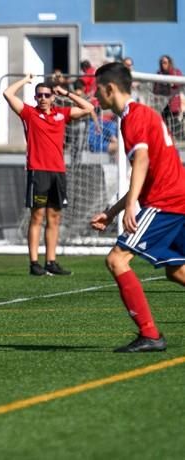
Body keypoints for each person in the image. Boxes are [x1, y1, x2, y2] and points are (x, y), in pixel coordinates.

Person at [89, 61, 185, 352]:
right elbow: (143, 171)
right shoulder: (143, 114)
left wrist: (131, 206)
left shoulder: (132, 117)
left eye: (98, 90)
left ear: (110, 88)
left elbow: (141, 159)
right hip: (178, 199)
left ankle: (150, 335)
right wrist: (113, 211)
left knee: (117, 260)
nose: (96, 97)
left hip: (166, 203)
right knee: (177, 271)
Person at [3, 74, 94, 276]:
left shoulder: (62, 113)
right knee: (37, 216)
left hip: (58, 173)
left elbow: (89, 109)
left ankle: (51, 261)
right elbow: (7, 93)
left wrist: (67, 93)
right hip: (38, 172)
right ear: (35, 98)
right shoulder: (28, 113)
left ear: (53, 97)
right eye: (39, 95)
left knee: (54, 217)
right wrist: (24, 80)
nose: (43, 98)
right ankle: (34, 263)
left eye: (47, 95)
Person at [153, 55, 183, 139]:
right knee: (163, 121)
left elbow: (180, 83)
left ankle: (179, 138)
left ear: (169, 63)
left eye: (165, 62)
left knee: (175, 121)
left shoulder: (176, 72)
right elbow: (155, 89)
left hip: (173, 102)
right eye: (162, 63)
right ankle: (166, 138)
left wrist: (172, 82)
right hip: (162, 103)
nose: (163, 65)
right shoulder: (159, 74)